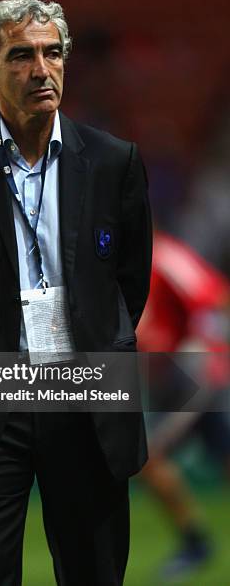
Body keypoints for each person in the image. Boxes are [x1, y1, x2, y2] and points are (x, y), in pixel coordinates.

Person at [0, 0, 152, 586]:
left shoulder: (115, 162)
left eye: (52, 52)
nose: (42, 69)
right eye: (21, 55)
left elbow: (129, 285)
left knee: (95, 572)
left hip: (86, 389)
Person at [137, 229, 230, 581]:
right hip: (166, 378)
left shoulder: (164, 254)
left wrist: (205, 345)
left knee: (147, 454)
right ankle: (196, 544)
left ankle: (196, 543)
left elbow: (214, 296)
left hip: (194, 374)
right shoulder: (116, 262)